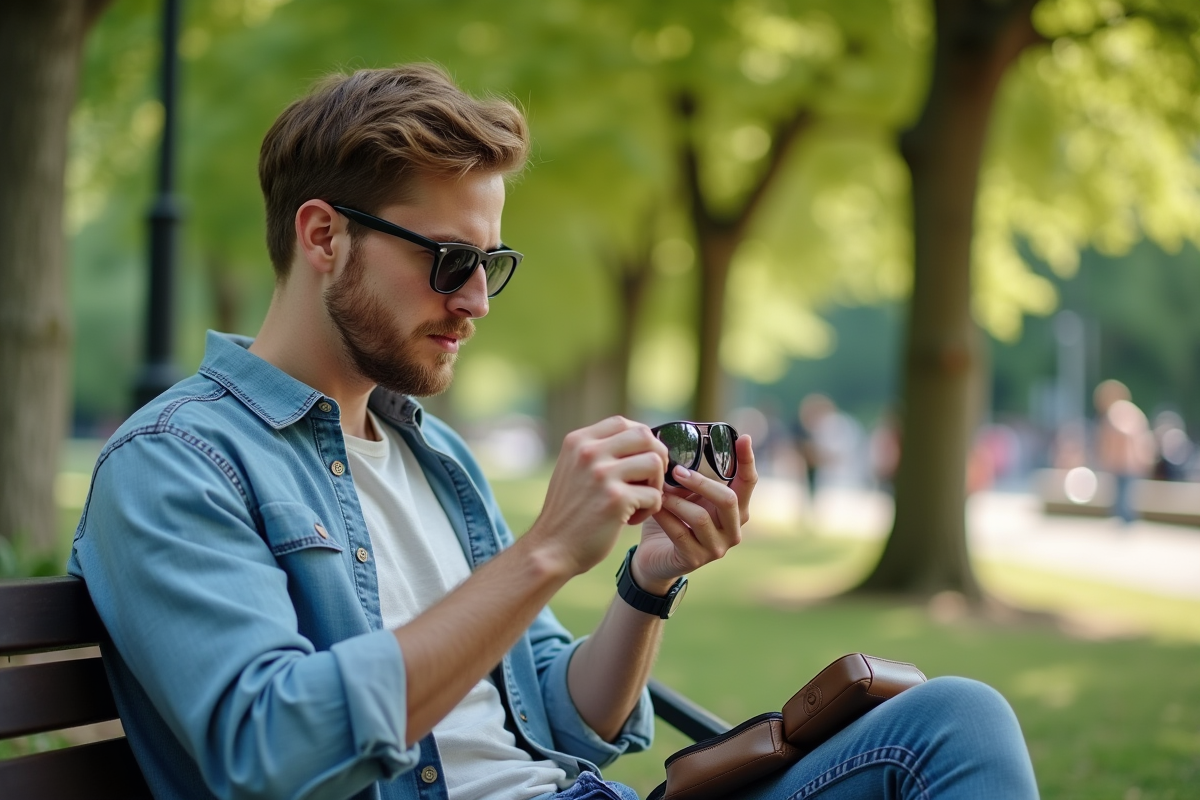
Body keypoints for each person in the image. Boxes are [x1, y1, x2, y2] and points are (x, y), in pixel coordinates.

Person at [69, 65, 1039, 800]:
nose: (475, 300)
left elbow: (567, 716)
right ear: (323, 236)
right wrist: (538, 554)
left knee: (955, 720)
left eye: (492, 264)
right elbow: (265, 748)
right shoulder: (180, 462)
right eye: (451, 260)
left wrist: (646, 577)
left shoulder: (429, 453)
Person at [1093, 379, 1155, 523]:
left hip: (1124, 464)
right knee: (1126, 498)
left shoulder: (1116, 411)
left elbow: (1124, 433)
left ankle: (1125, 526)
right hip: (1130, 463)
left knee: (1123, 500)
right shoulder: (1130, 410)